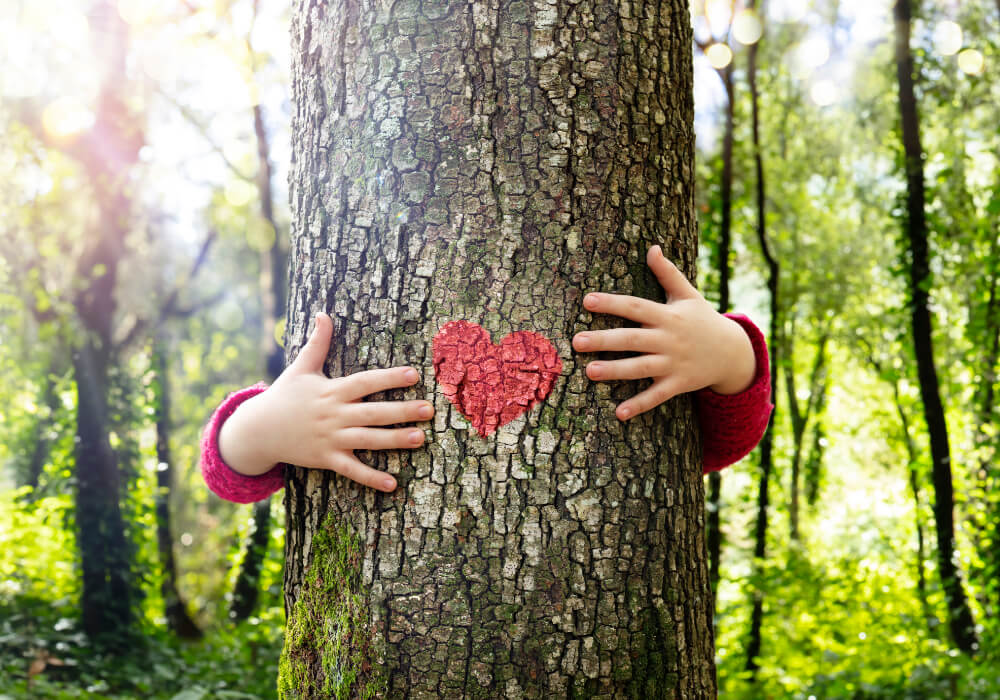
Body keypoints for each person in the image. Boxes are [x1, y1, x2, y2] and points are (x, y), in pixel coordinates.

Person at [201, 245, 772, 504]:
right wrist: (263, 427)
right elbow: (226, 472)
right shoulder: (317, 415)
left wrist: (729, 352)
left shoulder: (673, 361)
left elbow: (722, 442)